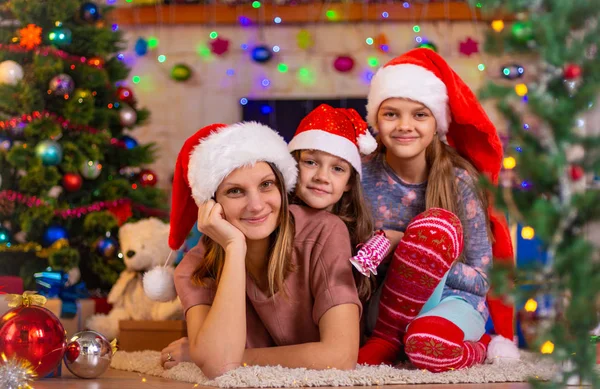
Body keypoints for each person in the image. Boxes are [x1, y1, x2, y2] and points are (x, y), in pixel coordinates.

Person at [157, 122, 361, 378]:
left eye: (266, 185)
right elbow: (219, 367)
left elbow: (340, 357)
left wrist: (228, 357)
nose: (256, 205)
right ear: (212, 206)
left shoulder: (324, 232)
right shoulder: (195, 266)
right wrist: (233, 248)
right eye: (235, 191)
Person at [357, 48, 517, 371]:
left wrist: (417, 252)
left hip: (453, 302)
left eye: (419, 114)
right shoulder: (360, 176)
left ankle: (479, 348)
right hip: (384, 305)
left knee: (428, 343)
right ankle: (388, 338)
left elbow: (484, 276)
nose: (405, 126)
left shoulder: (461, 181)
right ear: (376, 119)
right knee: (409, 337)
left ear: (436, 123)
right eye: (391, 114)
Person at [288, 103, 384, 301]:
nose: (322, 177)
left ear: (349, 182)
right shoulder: (276, 220)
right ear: (293, 166)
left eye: (337, 169)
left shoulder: (355, 231)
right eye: (310, 162)